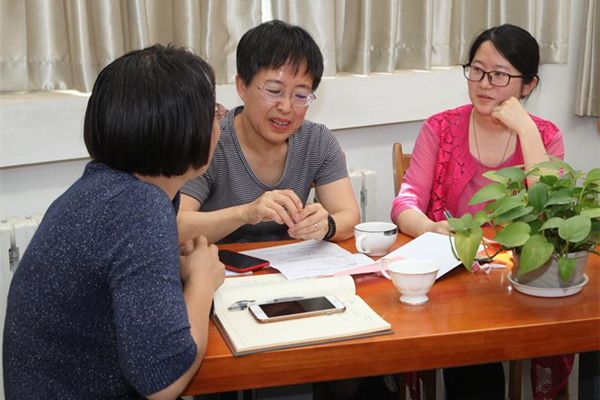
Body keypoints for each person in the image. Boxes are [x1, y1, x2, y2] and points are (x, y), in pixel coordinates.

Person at [3, 44, 225, 400]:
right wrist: (202, 279)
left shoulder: (103, 189)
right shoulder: (140, 207)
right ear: (183, 129)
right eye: (213, 112)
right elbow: (164, 382)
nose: (219, 123)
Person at [391, 24, 567, 400]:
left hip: (520, 280)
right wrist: (428, 228)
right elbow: (404, 203)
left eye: (500, 74)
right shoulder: (439, 128)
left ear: (528, 85)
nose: (484, 84)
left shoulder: (546, 136)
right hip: (458, 285)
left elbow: (552, 213)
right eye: (477, 70)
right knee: (472, 355)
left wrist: (527, 132)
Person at [178, 20, 360, 245]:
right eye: (274, 91)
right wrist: (245, 213)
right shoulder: (212, 141)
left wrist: (326, 225)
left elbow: (349, 216)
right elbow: (176, 226)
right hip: (217, 265)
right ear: (242, 86)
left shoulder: (316, 140)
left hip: (291, 264)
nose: (286, 107)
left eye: (300, 95)